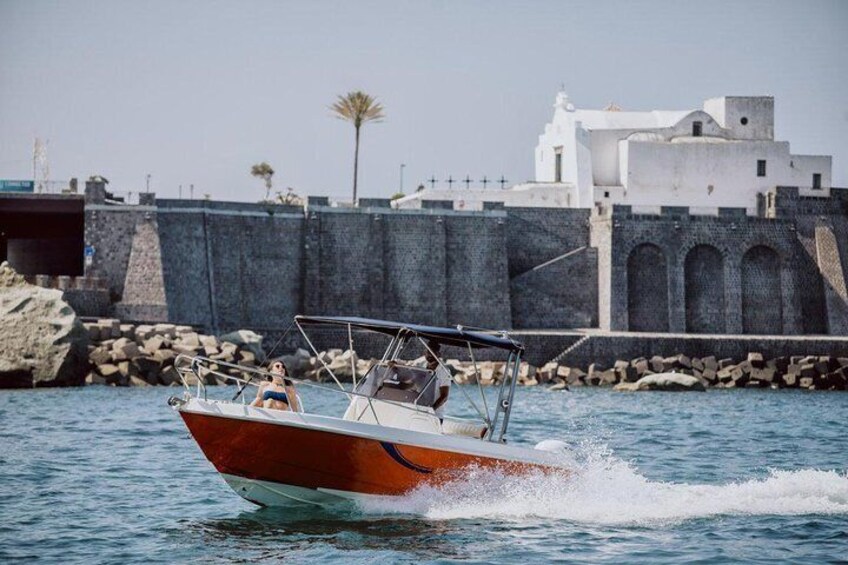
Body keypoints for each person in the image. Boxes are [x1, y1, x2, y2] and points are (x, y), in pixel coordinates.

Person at [425, 341, 452, 419]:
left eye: (432, 352)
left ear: (438, 354)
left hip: (435, 416)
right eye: (428, 352)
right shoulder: (421, 366)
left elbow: (444, 396)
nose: (429, 355)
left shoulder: (444, 370)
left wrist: (430, 410)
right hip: (419, 411)